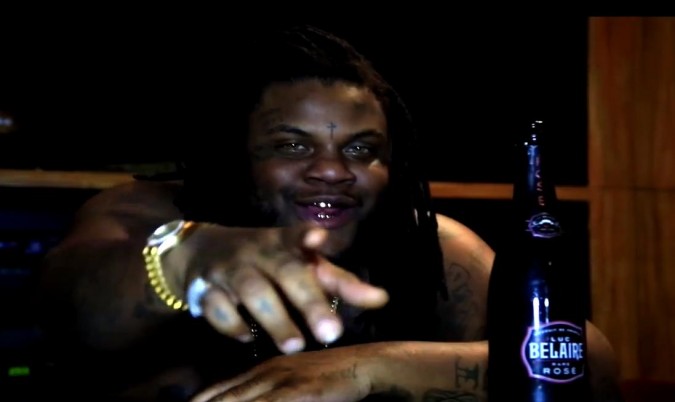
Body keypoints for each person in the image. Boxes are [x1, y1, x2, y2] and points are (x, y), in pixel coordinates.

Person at [37, 24, 622, 402]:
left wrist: (369, 369)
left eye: (361, 150)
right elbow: (72, 305)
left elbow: (589, 360)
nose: (333, 170)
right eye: (293, 145)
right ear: (236, 154)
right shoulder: (146, 212)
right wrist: (184, 257)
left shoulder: (428, 244)